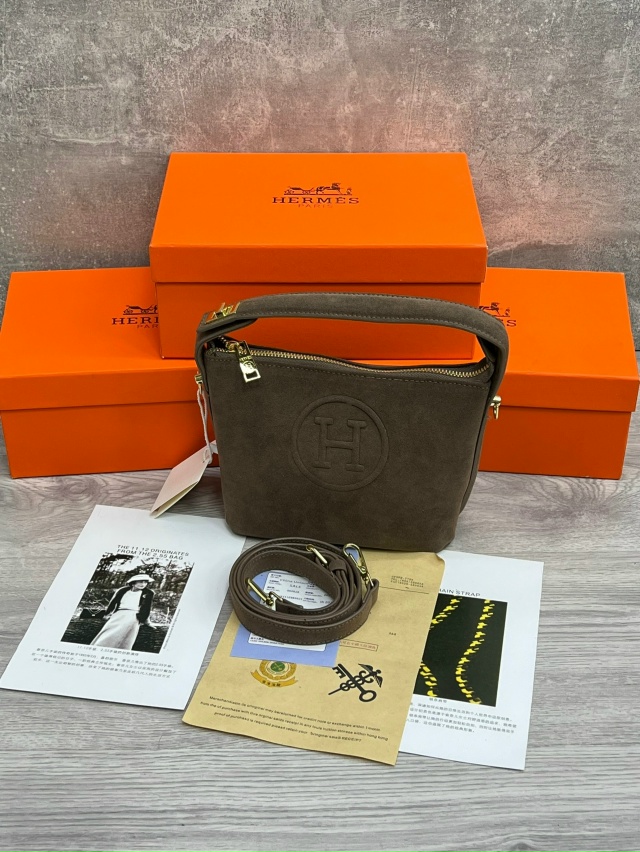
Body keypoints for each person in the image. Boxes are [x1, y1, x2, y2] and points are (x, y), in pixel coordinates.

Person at [90, 573, 155, 650]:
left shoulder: (148, 593)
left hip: (133, 616)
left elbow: (146, 608)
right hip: (118, 615)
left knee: (123, 637)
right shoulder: (122, 590)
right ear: (133, 583)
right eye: (141, 582)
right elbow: (113, 603)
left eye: (145, 582)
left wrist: (147, 622)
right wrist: (108, 613)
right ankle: (97, 648)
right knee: (106, 632)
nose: (143, 584)